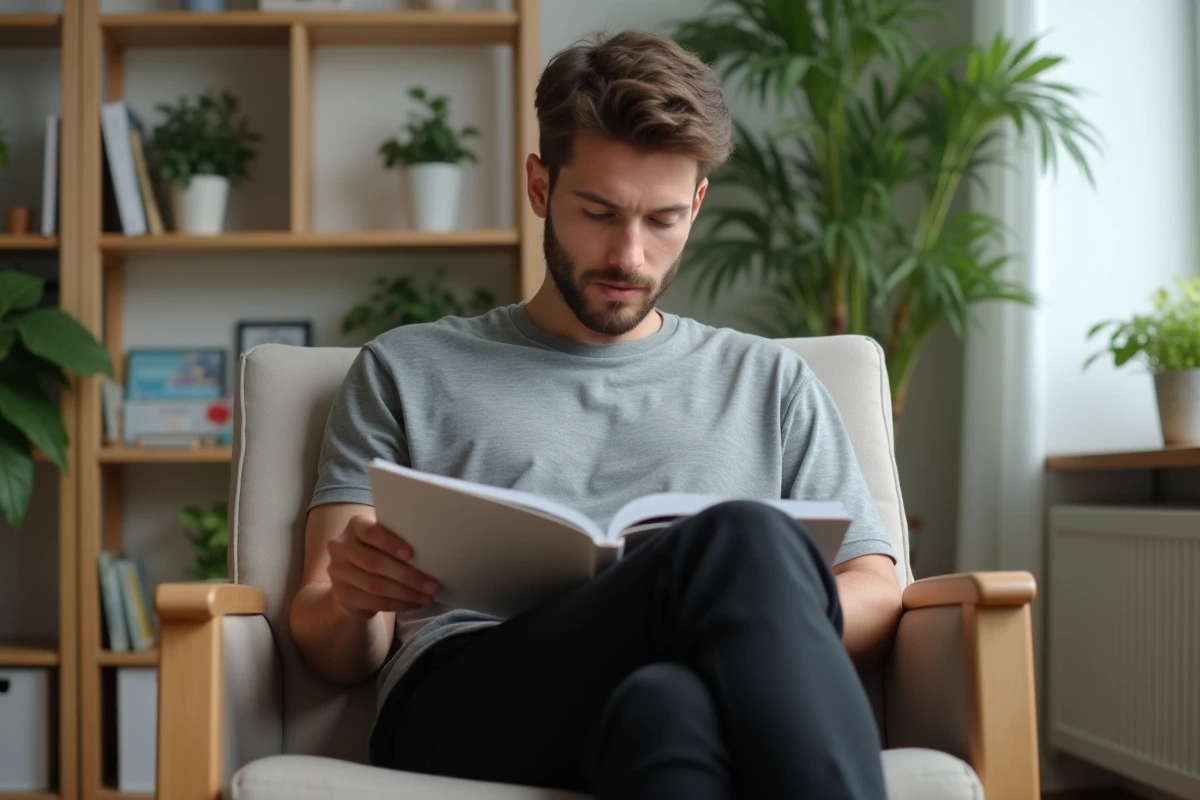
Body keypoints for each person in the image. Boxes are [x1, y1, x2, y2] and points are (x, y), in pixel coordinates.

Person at [290, 29, 902, 800]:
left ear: (698, 204)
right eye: (599, 211)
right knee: (743, 537)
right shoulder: (405, 369)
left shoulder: (772, 381)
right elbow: (327, 645)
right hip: (469, 701)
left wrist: (737, 609)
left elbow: (876, 591)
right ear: (541, 187)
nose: (630, 257)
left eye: (663, 220)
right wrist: (354, 600)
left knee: (665, 709)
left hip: (685, 686)